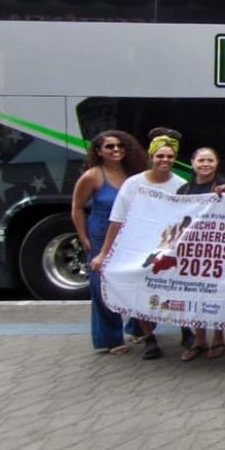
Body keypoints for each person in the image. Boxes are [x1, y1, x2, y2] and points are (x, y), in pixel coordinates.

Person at [90, 132, 186, 360]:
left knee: (178, 289)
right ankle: (148, 338)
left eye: (170, 156)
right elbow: (117, 220)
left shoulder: (181, 185)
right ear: (151, 157)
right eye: (160, 156)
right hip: (138, 247)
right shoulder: (133, 184)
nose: (165, 160)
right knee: (140, 291)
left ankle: (187, 332)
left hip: (169, 247)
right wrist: (104, 253)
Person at [71, 130, 147, 354]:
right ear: (98, 151)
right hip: (100, 235)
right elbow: (77, 207)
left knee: (138, 281)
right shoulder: (92, 176)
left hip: (132, 236)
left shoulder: (134, 175)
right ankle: (111, 339)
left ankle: (138, 328)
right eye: (110, 147)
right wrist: (83, 237)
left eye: (120, 146)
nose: (116, 150)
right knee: (101, 286)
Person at [175, 147, 225, 361]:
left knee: (216, 294)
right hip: (191, 251)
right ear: (192, 162)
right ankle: (199, 340)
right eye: (201, 160)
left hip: (217, 250)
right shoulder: (184, 190)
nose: (205, 164)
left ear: (217, 163)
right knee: (194, 293)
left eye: (210, 160)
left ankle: (219, 338)